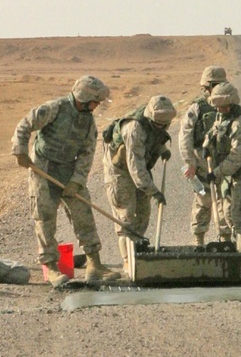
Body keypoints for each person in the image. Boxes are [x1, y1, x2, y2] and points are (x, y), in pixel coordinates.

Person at [12, 74, 115, 286]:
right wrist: (21, 152)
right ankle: (51, 268)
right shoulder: (54, 108)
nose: (98, 105)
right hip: (43, 170)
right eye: (96, 101)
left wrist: (77, 180)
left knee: (83, 215)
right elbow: (24, 125)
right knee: (45, 218)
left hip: (69, 172)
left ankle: (94, 264)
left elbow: (87, 152)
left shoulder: (88, 122)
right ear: (85, 98)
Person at [102, 94, 175, 248]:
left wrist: (162, 149)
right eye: (158, 125)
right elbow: (135, 165)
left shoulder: (159, 122)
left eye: (164, 125)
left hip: (138, 165)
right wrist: (153, 191)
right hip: (120, 170)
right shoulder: (134, 128)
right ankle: (128, 261)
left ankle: (138, 247)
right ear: (151, 118)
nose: (162, 127)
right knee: (126, 215)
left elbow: (153, 137)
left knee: (143, 212)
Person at [200, 82, 241, 250]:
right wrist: (207, 145)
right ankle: (233, 252)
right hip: (228, 174)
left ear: (232, 104)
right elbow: (214, 131)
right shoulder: (221, 115)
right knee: (228, 214)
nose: (220, 110)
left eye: (224, 107)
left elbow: (238, 156)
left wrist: (217, 172)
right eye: (218, 107)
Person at [179, 65, 227, 247]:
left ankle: (225, 239)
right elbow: (185, 135)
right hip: (200, 163)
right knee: (202, 199)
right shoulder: (197, 107)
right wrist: (189, 162)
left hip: (223, 163)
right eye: (213, 86)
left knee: (225, 202)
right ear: (207, 88)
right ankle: (198, 239)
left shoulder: (229, 105)